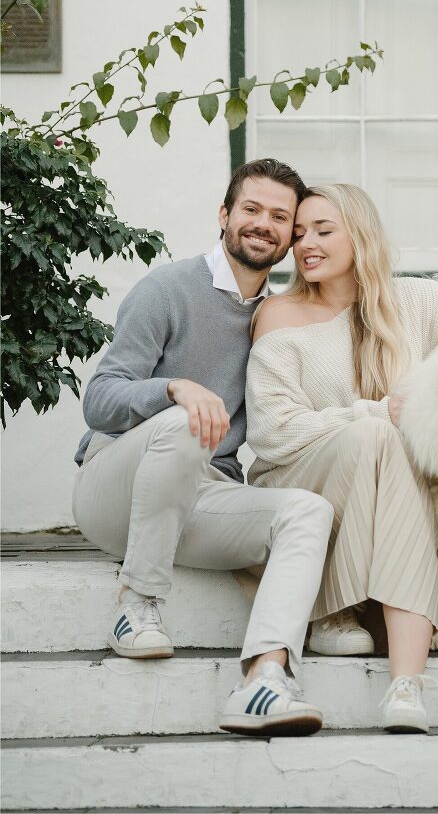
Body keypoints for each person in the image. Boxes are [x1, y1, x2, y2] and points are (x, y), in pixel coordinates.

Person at [72, 158, 334, 737]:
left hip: (199, 499)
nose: (263, 224)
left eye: (279, 217)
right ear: (224, 215)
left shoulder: (278, 319)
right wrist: (174, 389)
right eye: (251, 209)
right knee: (188, 421)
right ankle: (136, 604)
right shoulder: (167, 289)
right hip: (115, 490)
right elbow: (100, 400)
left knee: (308, 512)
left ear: (291, 235)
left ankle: (265, 680)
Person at [246, 183, 438, 733]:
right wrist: (374, 412)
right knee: (375, 435)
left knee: (385, 444)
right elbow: (271, 433)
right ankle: (331, 609)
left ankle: (406, 686)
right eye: (299, 233)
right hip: (296, 481)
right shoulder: (279, 313)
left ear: (360, 235)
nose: (306, 244)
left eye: (323, 230)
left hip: (388, 490)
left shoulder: (415, 302)